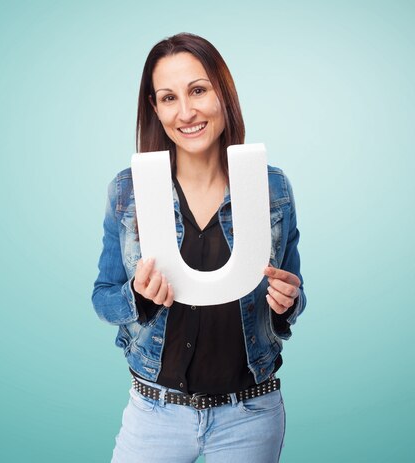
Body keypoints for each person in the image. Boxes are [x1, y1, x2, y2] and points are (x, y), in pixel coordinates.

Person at [92, 33, 306, 463]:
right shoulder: (129, 191)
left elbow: (294, 298)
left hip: (250, 413)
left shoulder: (271, 188)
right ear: (155, 108)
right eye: (169, 97)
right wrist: (137, 295)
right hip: (155, 411)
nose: (186, 112)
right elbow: (102, 297)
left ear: (223, 95)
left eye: (198, 90)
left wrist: (289, 301)